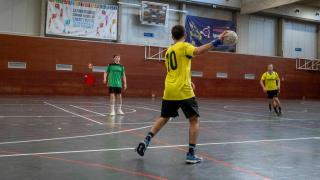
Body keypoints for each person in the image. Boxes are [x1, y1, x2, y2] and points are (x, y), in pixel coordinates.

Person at [136, 25, 228, 164]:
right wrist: (218, 41)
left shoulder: (168, 51)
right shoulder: (185, 46)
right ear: (185, 34)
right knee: (194, 120)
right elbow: (198, 51)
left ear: (172, 36)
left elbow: (177, 68)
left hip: (169, 89)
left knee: (164, 117)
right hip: (183, 90)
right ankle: (191, 154)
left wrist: (189, 80)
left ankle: (146, 140)